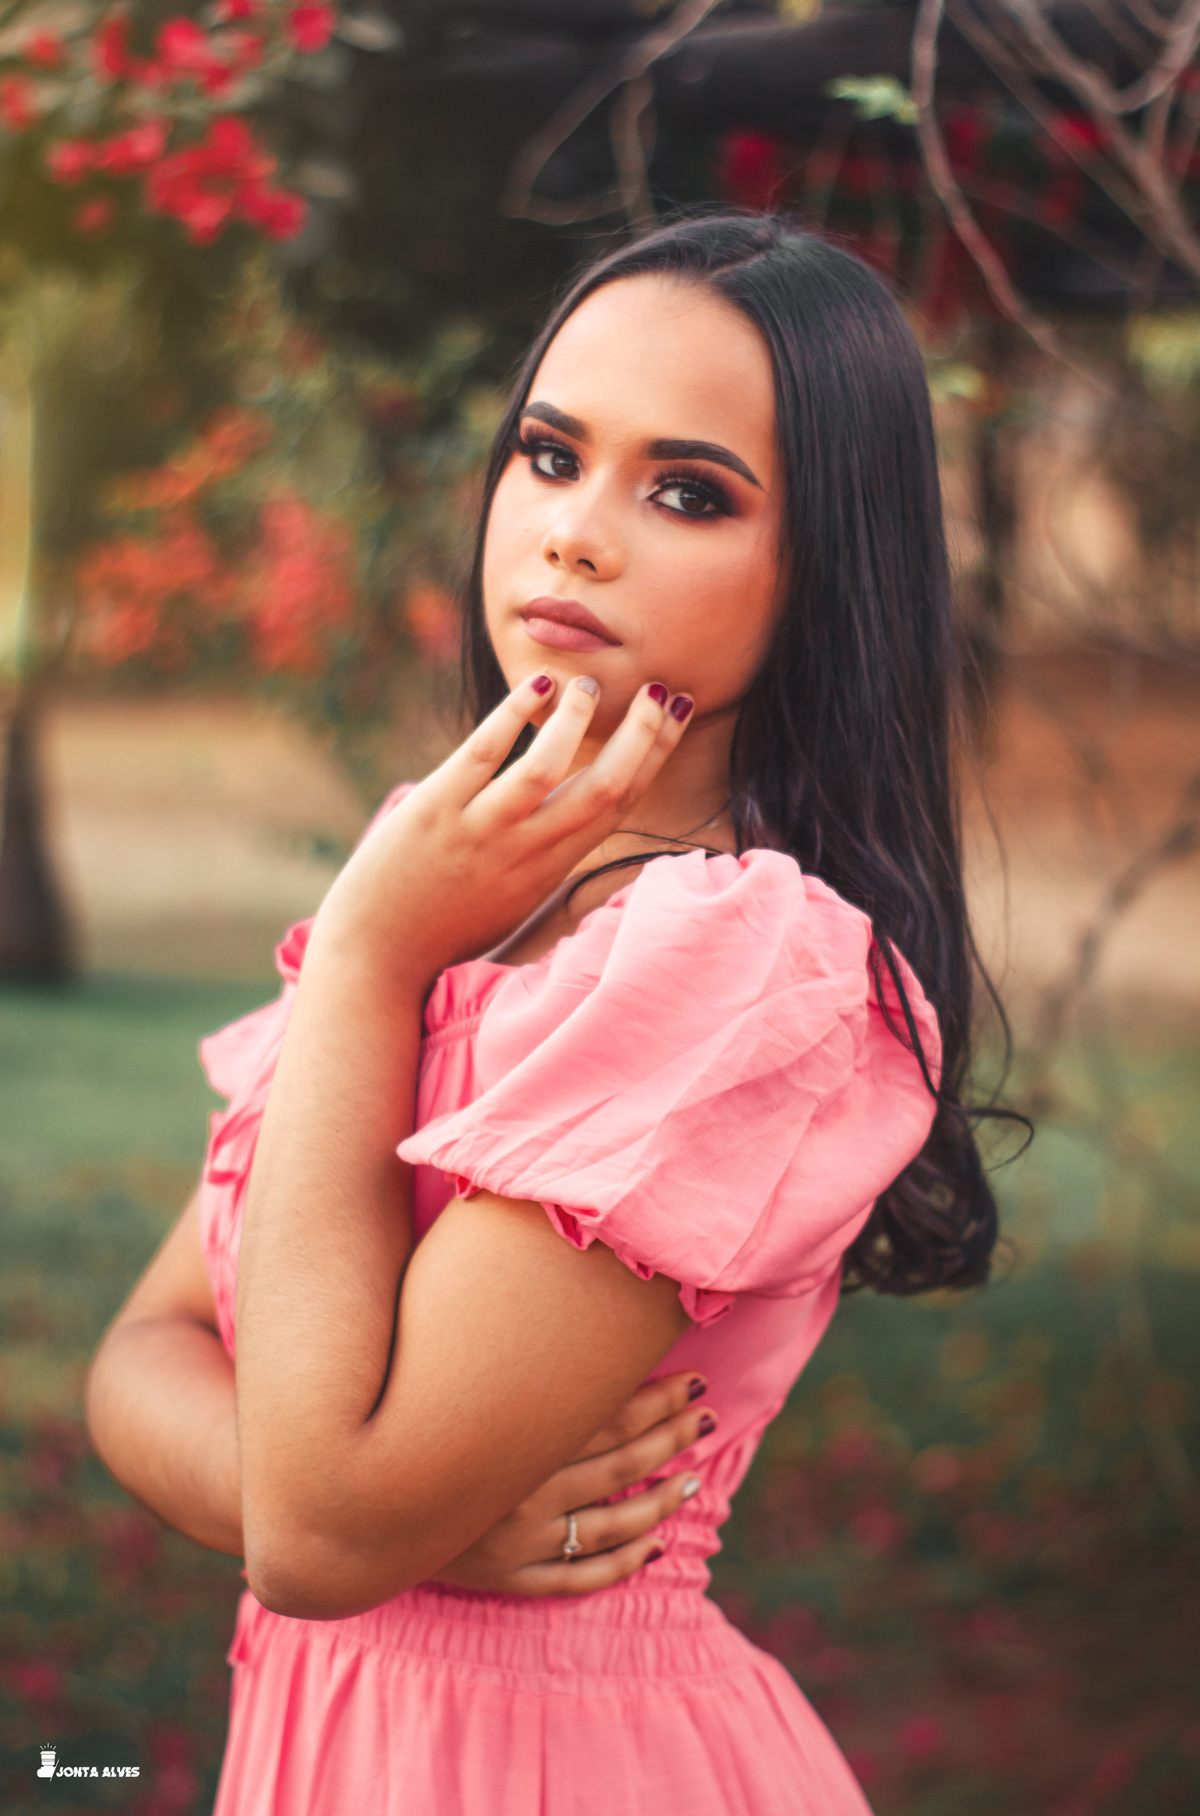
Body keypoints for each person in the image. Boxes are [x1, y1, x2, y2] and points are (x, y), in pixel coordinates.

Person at [87, 214, 1004, 1814]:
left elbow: (317, 1534)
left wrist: (366, 963)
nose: (574, 535)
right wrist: (381, 1522)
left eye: (687, 491)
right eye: (551, 455)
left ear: (825, 570)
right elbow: (142, 1355)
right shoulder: (453, 885)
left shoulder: (741, 964)